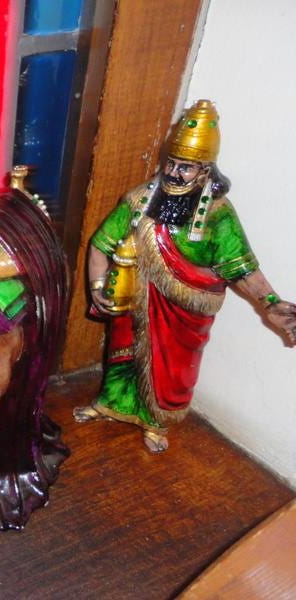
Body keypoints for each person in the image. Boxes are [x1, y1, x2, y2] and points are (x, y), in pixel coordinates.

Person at [73, 99, 296, 453]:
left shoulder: (219, 215)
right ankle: (111, 404)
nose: (175, 173)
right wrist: (99, 286)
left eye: (186, 168)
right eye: (171, 164)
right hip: (133, 297)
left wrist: (270, 303)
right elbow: (100, 244)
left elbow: (241, 268)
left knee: (174, 370)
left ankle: (157, 421)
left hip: (184, 314)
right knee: (122, 356)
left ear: (205, 171)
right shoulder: (139, 199)